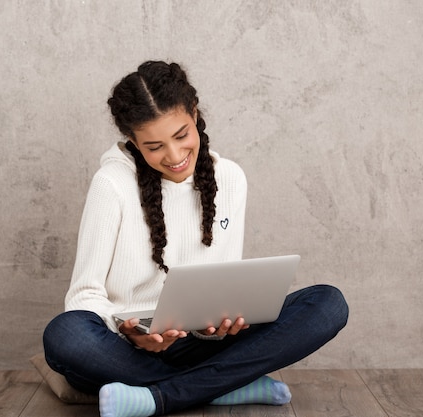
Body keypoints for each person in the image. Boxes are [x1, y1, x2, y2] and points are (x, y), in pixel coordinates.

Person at [43, 61, 349, 417]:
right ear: (133, 141)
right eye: (154, 146)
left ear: (194, 114)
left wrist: (226, 320)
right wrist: (130, 332)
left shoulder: (230, 177)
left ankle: (161, 397)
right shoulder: (111, 184)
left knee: (328, 304)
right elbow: (83, 296)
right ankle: (223, 386)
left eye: (181, 135)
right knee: (66, 335)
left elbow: (225, 279)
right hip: (128, 349)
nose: (174, 156)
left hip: (203, 343)